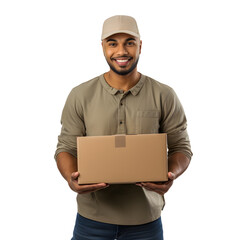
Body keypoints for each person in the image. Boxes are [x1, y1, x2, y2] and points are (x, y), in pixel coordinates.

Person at [55, 15, 193, 240]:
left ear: (140, 45)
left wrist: (171, 174)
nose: (121, 51)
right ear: (103, 47)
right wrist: (71, 178)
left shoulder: (163, 94)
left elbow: (181, 147)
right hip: (91, 220)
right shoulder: (80, 95)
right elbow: (66, 148)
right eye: (113, 43)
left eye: (129, 42)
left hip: (145, 222)